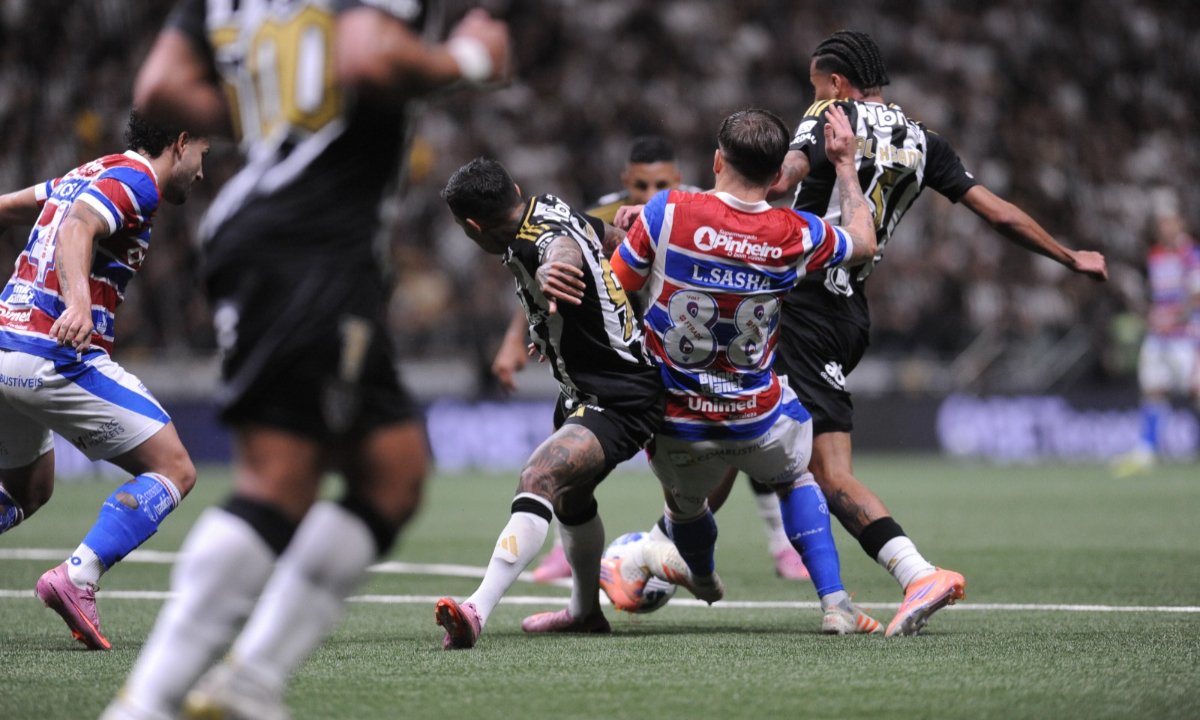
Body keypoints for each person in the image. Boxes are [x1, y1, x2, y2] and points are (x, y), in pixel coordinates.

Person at [103, 3, 509, 718]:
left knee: (392, 471)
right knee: (277, 480)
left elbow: (161, 89)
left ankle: (249, 684)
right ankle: (152, 702)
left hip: (277, 231)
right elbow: (364, 57)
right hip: (311, 238)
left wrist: (275, 108)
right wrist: (468, 60)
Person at [760, 30, 1108, 636]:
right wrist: (1068, 255)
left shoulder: (826, 116)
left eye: (816, 85)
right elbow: (998, 212)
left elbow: (780, 181)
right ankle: (669, 552)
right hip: (849, 315)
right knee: (745, 428)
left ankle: (915, 572)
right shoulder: (924, 140)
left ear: (836, 84)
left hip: (805, 303)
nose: (813, 96)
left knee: (819, 469)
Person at [603, 107, 883, 634]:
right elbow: (863, 240)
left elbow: (617, 290)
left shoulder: (666, 211)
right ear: (778, 175)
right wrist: (845, 167)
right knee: (798, 476)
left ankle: (705, 579)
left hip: (675, 423)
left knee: (684, 509)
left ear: (715, 161)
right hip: (756, 420)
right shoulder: (794, 231)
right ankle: (835, 603)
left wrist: (630, 238)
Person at [516, 135, 810, 585]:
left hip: (710, 341)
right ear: (624, 182)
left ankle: (770, 542)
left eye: (661, 183)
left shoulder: (694, 208)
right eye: (641, 184)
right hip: (626, 348)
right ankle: (571, 545)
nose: (651, 193)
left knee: (737, 438)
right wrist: (528, 336)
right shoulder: (601, 216)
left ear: (677, 178)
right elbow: (553, 275)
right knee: (584, 444)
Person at [434, 156, 667, 649]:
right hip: (586, 389)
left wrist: (559, 269)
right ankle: (584, 613)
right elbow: (593, 236)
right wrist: (553, 328)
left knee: (539, 477)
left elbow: (559, 249)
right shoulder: (545, 205)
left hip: (621, 395)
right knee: (569, 499)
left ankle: (476, 609)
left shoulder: (536, 243)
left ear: (473, 227)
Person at [0, 110, 208, 651]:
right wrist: (77, 303)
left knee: (31, 489)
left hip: (4, 346)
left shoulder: (86, 172)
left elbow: (16, 207)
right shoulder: (138, 179)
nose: (203, 171)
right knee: (176, 469)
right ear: (181, 143)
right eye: (203, 156)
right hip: (51, 351)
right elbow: (76, 227)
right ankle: (79, 575)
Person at [1113, 207, 1200, 475]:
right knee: (1153, 389)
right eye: (1161, 224)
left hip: (1185, 335)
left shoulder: (1191, 254)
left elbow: (1196, 296)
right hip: (1159, 335)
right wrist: (1152, 315)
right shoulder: (1155, 254)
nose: (1165, 228)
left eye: (1170, 223)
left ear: (1180, 224)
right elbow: (1159, 294)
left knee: (1196, 391)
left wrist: (1175, 318)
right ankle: (1146, 450)